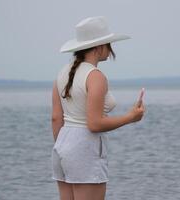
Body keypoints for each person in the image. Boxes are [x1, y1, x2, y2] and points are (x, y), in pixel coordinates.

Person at [51, 16, 145, 200]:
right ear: (99, 46)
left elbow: (56, 118)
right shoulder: (95, 76)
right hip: (84, 148)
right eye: (108, 43)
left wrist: (64, 147)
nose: (110, 49)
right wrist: (130, 117)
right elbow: (94, 124)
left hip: (61, 147)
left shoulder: (61, 74)